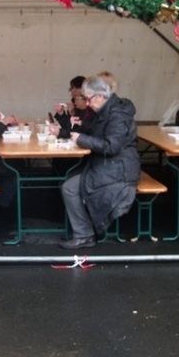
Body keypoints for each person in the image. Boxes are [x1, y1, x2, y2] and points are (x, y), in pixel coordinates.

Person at [59, 75, 141, 249]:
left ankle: (84, 235)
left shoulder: (118, 116)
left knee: (69, 187)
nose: (86, 104)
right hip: (109, 165)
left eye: (88, 99)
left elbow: (111, 147)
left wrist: (81, 139)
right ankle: (84, 230)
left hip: (119, 170)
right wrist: (63, 132)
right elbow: (89, 129)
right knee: (70, 178)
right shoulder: (105, 110)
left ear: (100, 96)